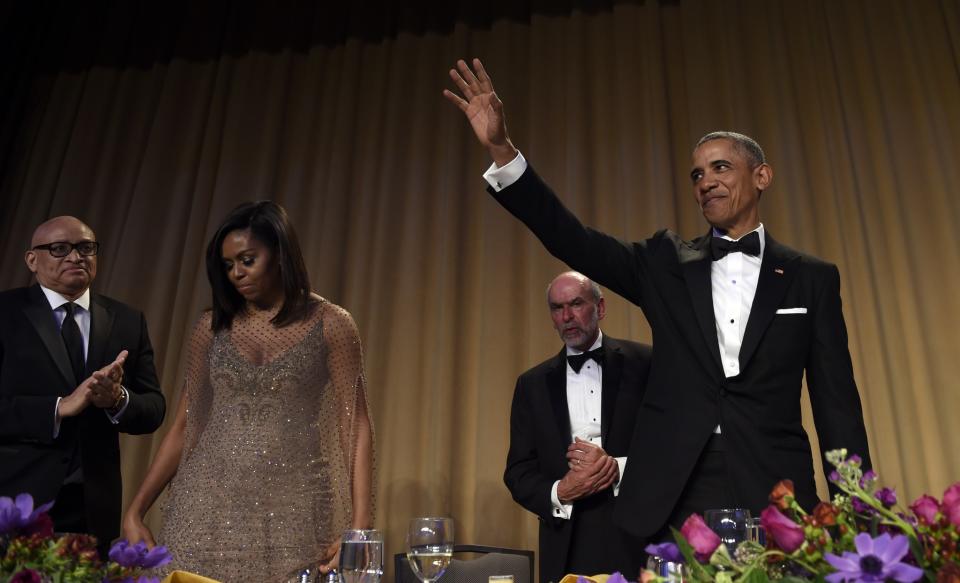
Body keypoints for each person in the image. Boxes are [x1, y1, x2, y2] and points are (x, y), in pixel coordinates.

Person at [445, 59, 871, 540]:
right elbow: (572, 239)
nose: (705, 181)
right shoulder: (665, 263)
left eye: (721, 167)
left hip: (775, 481)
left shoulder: (810, 278)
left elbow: (837, 405)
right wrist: (503, 152)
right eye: (696, 174)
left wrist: (857, 512)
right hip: (678, 483)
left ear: (762, 177)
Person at [121, 201, 375, 582]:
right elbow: (185, 426)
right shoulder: (211, 328)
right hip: (204, 510)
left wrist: (360, 527)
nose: (236, 274)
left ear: (280, 254)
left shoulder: (331, 324)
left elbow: (355, 426)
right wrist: (135, 510)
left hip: (294, 511)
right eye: (228, 265)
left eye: (247, 259)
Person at [0, 216, 166, 555]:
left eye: (85, 247)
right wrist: (59, 407)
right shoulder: (5, 312)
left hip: (91, 511)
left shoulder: (127, 320)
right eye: (60, 248)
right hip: (12, 501)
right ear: (32, 260)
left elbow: (154, 409)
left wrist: (117, 399)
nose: (75, 256)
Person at [505, 271, 651, 582]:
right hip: (567, 537)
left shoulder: (646, 364)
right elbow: (518, 472)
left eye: (576, 304)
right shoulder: (531, 384)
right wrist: (561, 490)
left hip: (636, 531)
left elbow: (671, 449)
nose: (567, 316)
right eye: (557, 308)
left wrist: (616, 469)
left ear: (600, 308)